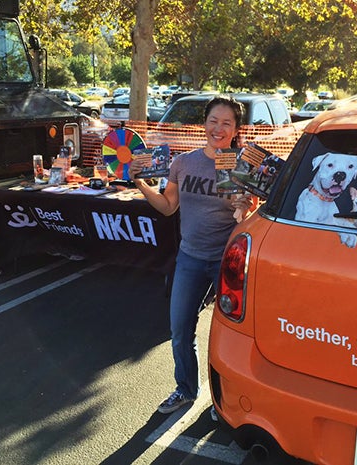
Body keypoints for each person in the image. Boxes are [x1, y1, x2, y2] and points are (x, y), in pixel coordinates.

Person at [128, 95, 254, 414]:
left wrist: (246, 209)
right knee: (180, 329)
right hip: (190, 258)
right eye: (213, 121)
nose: (218, 128)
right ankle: (186, 388)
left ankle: (224, 399)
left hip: (228, 261)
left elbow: (250, 218)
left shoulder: (240, 164)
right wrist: (142, 185)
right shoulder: (183, 162)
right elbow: (169, 207)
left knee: (229, 335)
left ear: (237, 129)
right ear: (204, 125)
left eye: (226, 123)